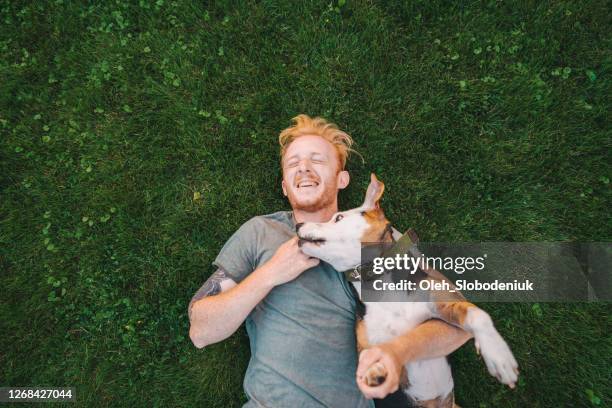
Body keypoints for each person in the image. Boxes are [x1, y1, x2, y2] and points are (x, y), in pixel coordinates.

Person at [188, 114, 471, 407]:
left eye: (317, 160)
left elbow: (460, 324)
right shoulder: (261, 232)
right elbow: (201, 332)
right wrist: (271, 272)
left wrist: (399, 350)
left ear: (342, 178)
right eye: (293, 164)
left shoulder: (376, 241)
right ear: (284, 185)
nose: (304, 169)